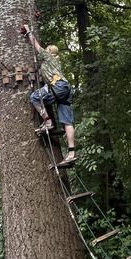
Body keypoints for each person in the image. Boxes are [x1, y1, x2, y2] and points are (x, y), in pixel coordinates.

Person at [21, 23, 76, 167]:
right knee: (67, 122)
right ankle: (71, 153)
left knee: (34, 97)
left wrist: (28, 31)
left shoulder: (48, 57)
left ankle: (48, 121)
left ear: (50, 52)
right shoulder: (56, 62)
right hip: (65, 88)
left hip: (56, 86)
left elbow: (36, 45)